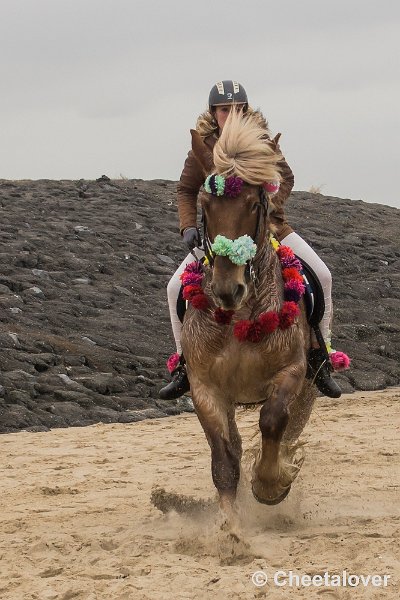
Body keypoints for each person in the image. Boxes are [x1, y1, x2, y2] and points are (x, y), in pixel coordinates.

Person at [159, 80, 342, 400]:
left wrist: (268, 210)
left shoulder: (261, 141)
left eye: (236, 109)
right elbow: (186, 190)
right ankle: (184, 366)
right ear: (213, 113)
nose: (230, 115)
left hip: (270, 230)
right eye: (223, 110)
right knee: (174, 288)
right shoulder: (203, 147)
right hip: (218, 238)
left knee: (322, 276)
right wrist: (188, 227)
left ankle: (319, 356)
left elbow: (285, 177)